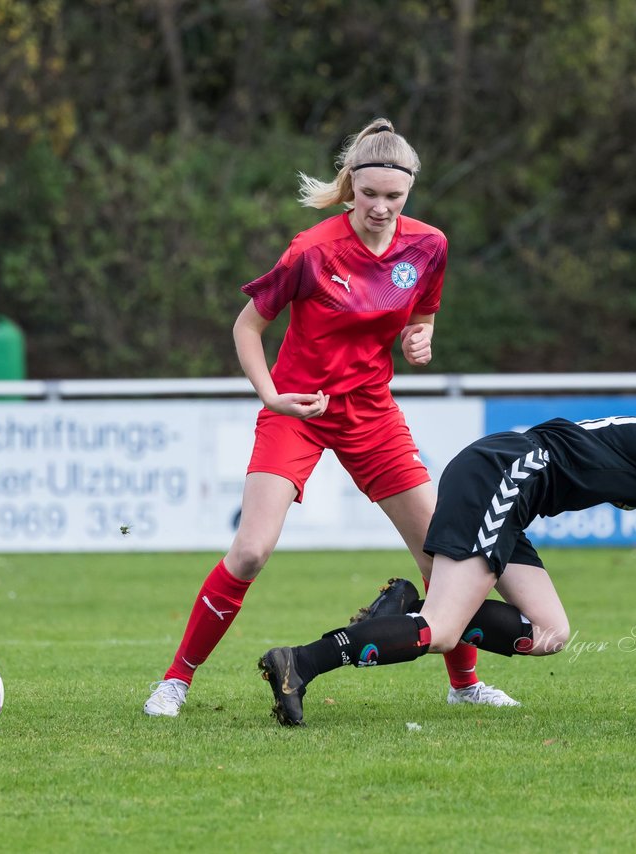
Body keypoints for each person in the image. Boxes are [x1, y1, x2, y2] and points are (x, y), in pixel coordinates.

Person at [143, 118, 507, 717]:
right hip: (299, 410)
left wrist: (421, 340)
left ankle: (464, 686)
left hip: (371, 414)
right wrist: (271, 396)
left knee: (441, 555)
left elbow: (423, 315)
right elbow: (248, 326)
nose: (382, 208)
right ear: (351, 187)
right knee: (251, 551)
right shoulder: (312, 250)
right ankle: (175, 681)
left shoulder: (429, 245)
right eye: (370, 195)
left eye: (395, 197)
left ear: (409, 192)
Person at [258, 351, 636, 726]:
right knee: (440, 631)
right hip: (501, 475)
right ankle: (299, 663)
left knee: (550, 633)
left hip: (510, 484)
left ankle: (406, 606)